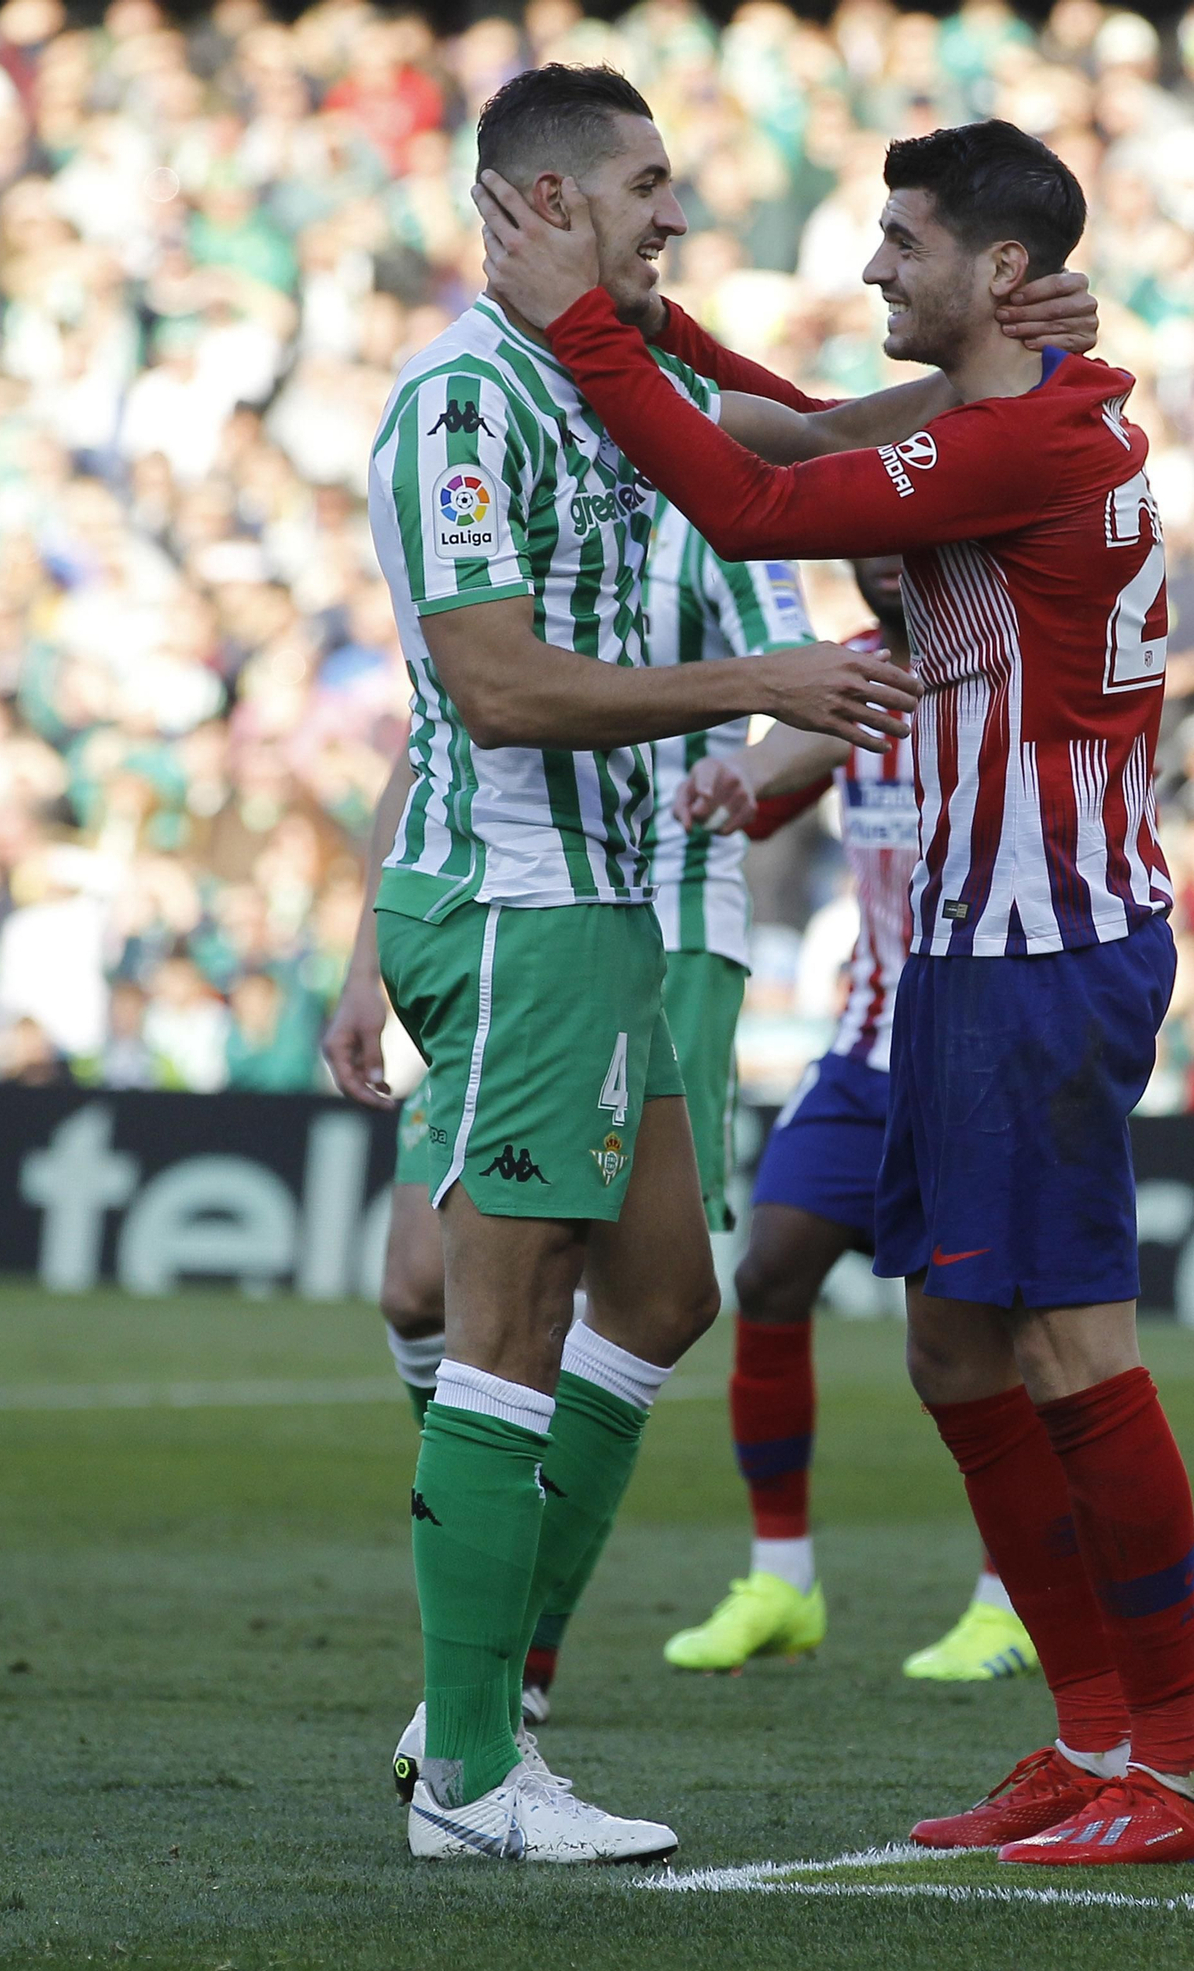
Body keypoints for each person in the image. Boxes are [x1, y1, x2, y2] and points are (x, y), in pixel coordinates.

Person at [477, 114, 1194, 1865]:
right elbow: (805, 429)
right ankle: (1091, 1734)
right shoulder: (1006, 420)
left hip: (1045, 951)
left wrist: (592, 330)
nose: (871, 267)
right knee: (956, 1346)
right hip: (970, 954)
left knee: (1063, 1342)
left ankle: (1179, 1774)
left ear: (996, 274)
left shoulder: (1028, 440)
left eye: (900, 242)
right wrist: (642, 323)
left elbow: (756, 491)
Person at [360, 62, 924, 1867]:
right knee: (485, 1316)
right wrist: (756, 684)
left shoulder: (620, 376)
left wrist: (1013, 369)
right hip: (521, 908)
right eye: (646, 186)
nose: (676, 215)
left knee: (665, 1291)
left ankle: (489, 1695)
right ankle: (469, 1773)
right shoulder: (461, 402)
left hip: (601, 910)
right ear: (540, 204)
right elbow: (496, 686)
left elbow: (819, 440)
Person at [324, 495, 825, 1731]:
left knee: (628, 1293)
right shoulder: (506, 486)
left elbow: (822, 690)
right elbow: (437, 736)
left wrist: (747, 769)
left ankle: (506, 1669)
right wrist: (361, 959)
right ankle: (483, 1627)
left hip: (667, 920)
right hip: (502, 917)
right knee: (416, 1287)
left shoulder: (707, 505)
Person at [661, 553, 1035, 1686]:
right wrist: (738, 779)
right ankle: (783, 1579)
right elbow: (768, 804)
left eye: (897, 539)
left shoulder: (1008, 662)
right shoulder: (850, 673)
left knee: (979, 1333)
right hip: (863, 1043)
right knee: (770, 1271)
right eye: (861, 543)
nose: (877, 560)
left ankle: (1006, 1595)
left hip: (982, 1051)